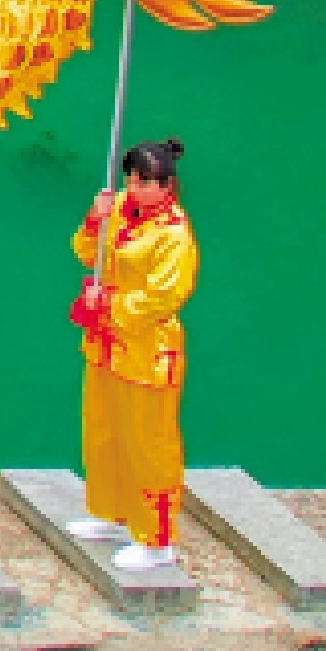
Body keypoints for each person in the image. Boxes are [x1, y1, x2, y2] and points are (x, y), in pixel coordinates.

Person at [67, 136, 197, 573]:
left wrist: (111, 306)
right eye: (133, 178)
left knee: (149, 444)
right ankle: (113, 512)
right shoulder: (119, 205)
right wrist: (93, 221)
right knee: (104, 433)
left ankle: (157, 538)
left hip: (145, 348)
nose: (135, 187)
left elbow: (164, 296)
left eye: (145, 181)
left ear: (166, 185)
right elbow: (86, 253)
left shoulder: (174, 235)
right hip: (107, 344)